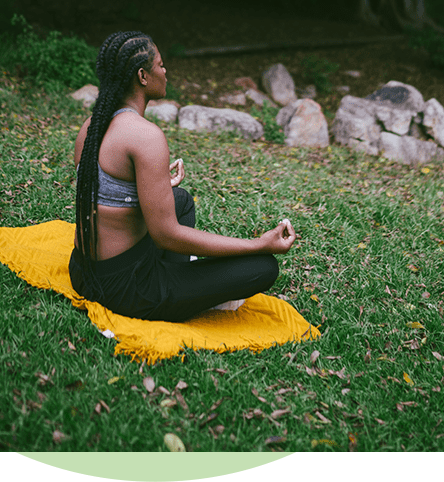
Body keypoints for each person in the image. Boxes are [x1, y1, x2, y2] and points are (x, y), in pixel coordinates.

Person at [69, 31, 296, 322]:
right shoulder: (145, 136)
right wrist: (259, 244)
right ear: (142, 76)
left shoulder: (92, 124)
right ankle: (179, 294)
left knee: (181, 200)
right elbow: (167, 236)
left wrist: (154, 184)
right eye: (160, 65)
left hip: (84, 271)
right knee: (264, 267)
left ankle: (181, 282)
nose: (165, 71)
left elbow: (100, 193)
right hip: (126, 290)